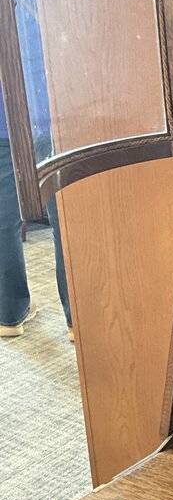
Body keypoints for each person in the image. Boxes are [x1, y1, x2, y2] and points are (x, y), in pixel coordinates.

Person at [0, 90, 72, 339]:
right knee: (64, 216)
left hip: (4, 119)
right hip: (49, 112)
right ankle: (77, 319)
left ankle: (9, 314)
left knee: (3, 219)